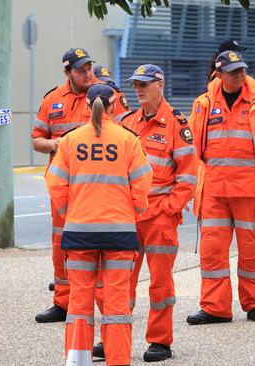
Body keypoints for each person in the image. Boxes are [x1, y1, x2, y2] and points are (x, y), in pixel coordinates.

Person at [45, 83, 152, 366]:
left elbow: (55, 184)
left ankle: (78, 361)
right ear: (115, 106)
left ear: (85, 106)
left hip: (79, 234)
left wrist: (73, 212)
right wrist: (133, 213)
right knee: (117, 307)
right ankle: (118, 361)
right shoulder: (128, 140)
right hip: (119, 234)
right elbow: (142, 187)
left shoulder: (69, 141)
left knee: (79, 305)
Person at [187, 51, 255, 325]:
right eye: (233, 71)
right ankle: (215, 308)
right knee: (211, 251)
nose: (240, 75)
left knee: (252, 252)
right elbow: (190, 151)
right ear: (219, 74)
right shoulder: (203, 104)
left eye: (242, 70)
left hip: (249, 191)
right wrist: (188, 186)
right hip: (214, 192)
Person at [33, 48, 128, 323]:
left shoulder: (108, 95)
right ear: (67, 73)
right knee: (61, 244)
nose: (88, 74)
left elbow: (129, 133)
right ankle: (63, 302)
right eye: (81, 70)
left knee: (98, 245)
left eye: (89, 68)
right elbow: (37, 138)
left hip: (99, 187)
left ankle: (103, 304)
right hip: (64, 187)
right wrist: (54, 144)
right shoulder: (52, 100)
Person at [119, 64, 198, 362]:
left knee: (160, 282)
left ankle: (160, 341)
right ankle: (117, 335)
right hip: (128, 216)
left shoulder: (177, 124)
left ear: (160, 84)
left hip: (160, 218)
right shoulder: (127, 122)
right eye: (135, 85)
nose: (138, 89)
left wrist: (170, 207)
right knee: (120, 279)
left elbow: (189, 175)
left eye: (144, 84)